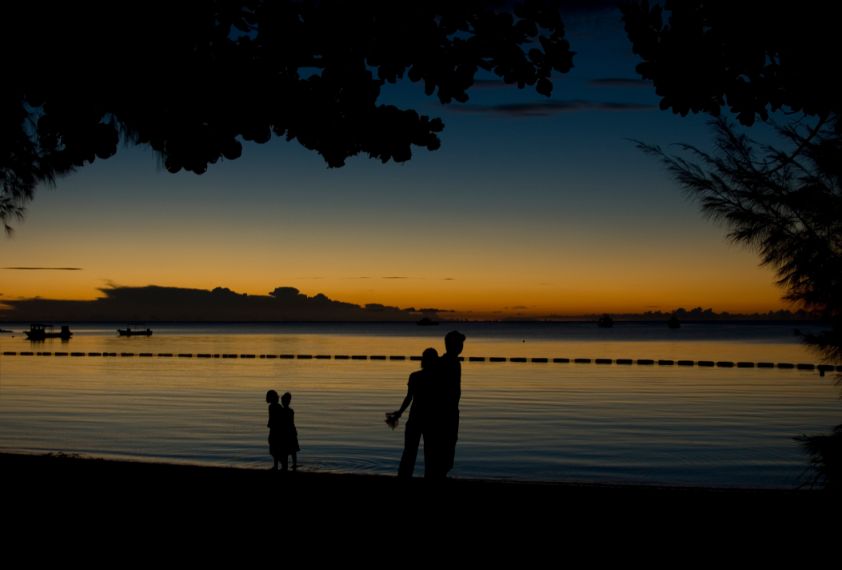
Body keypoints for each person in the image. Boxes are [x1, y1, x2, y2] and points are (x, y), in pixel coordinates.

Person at [387, 347, 438, 478]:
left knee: (410, 451)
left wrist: (399, 412)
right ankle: (430, 476)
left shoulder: (415, 376)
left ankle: (404, 476)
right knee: (430, 452)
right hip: (431, 419)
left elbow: (409, 398)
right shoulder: (438, 378)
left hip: (415, 417)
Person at [429, 330, 465, 478]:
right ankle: (439, 474)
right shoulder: (445, 363)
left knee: (448, 444)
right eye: (460, 344)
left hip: (450, 410)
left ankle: (440, 473)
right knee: (445, 444)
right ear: (454, 345)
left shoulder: (453, 363)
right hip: (445, 411)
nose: (462, 347)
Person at [265, 389, 283, 470]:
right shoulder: (276, 406)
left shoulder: (274, 407)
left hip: (275, 429)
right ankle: (277, 465)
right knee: (274, 448)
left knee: (274, 449)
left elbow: (273, 418)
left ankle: (280, 464)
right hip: (275, 429)